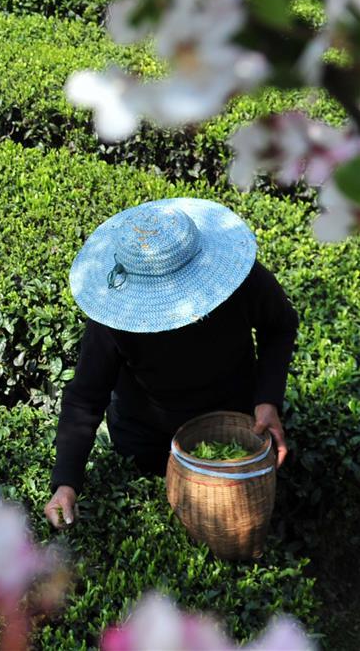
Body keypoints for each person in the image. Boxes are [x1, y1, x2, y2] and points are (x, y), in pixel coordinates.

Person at [44, 198, 298, 529]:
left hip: (236, 417)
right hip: (148, 439)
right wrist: (66, 483)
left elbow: (279, 325)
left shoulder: (239, 279)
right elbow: (85, 397)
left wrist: (267, 401)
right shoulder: (116, 315)